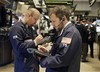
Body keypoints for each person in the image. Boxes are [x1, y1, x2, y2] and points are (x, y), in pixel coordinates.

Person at [38, 5, 82, 72]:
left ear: (63, 18)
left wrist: (43, 60)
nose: (52, 24)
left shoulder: (71, 33)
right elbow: (61, 51)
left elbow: (63, 59)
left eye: (54, 21)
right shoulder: (64, 31)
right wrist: (47, 54)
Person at [9, 8, 43, 72]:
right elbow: (18, 47)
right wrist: (35, 42)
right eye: (35, 19)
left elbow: (31, 44)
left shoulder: (31, 28)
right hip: (23, 66)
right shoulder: (16, 29)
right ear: (29, 15)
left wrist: (39, 46)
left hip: (33, 64)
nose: (35, 22)